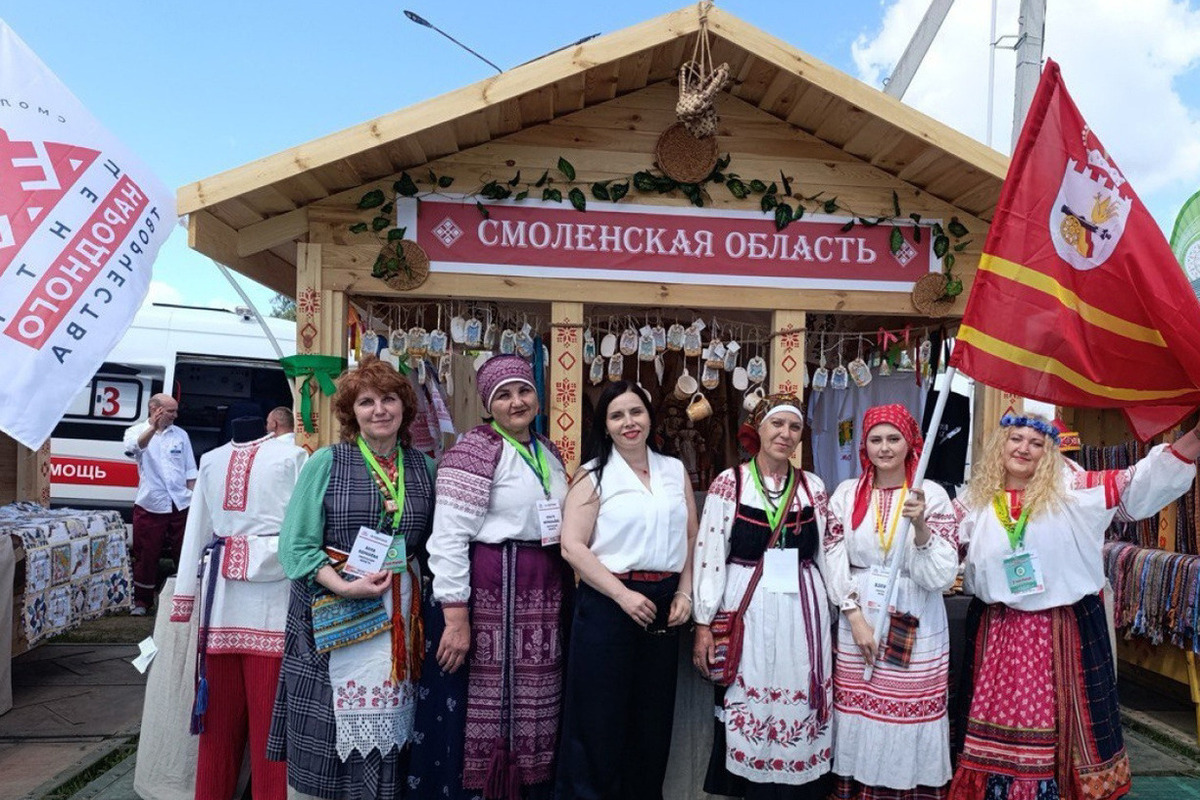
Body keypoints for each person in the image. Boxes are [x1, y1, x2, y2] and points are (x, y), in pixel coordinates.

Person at [949, 412, 1200, 800]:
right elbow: (938, 546)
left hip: (1059, 629)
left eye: (1036, 443)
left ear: (1050, 454)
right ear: (1001, 445)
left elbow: (1139, 482)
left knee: (1059, 721)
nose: (1023, 449)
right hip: (997, 630)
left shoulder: (1076, 493)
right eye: (1016, 439)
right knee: (992, 717)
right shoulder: (974, 501)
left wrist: (1194, 438)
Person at [267, 356, 434, 800]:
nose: (379, 410)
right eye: (366, 402)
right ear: (351, 412)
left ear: (404, 407)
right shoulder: (326, 461)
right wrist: (343, 585)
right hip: (331, 603)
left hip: (399, 611)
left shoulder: (424, 468)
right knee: (330, 722)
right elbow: (296, 544)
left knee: (393, 718)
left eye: (389, 399)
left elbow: (434, 546)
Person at [410, 354, 571, 800]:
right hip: (490, 590)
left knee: (539, 698)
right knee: (481, 696)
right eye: (504, 395)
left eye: (524, 391)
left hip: (544, 588)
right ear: (488, 405)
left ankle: (529, 787)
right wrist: (455, 616)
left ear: (537, 396)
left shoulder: (548, 451)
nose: (516, 402)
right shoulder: (474, 450)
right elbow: (448, 536)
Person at [557, 380, 698, 800]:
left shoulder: (673, 470)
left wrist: (685, 592)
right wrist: (622, 595)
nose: (628, 422)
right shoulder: (593, 475)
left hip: (663, 606)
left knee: (651, 723)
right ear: (605, 425)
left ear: (649, 417)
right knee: (599, 720)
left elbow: (692, 537)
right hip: (608, 603)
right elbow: (572, 546)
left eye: (635, 412)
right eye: (616, 415)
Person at [692, 392, 835, 800]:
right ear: (758, 428)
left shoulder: (812, 486)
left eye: (794, 427)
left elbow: (828, 555)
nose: (785, 434)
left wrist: (839, 612)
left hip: (801, 611)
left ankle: (797, 783)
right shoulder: (730, 483)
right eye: (777, 424)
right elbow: (709, 554)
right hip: (747, 609)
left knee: (799, 690)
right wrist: (703, 623)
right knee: (749, 691)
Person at [170, 415, 307, 800]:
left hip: (274, 605)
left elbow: (304, 532)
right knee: (217, 725)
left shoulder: (293, 458)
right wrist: (185, 595)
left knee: (271, 727)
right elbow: (197, 527)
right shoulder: (210, 460)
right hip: (221, 609)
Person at [827, 404, 959, 800]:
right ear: (864, 445)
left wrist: (920, 527)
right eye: (876, 439)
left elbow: (940, 576)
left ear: (910, 443)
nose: (884, 448)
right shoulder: (846, 494)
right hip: (858, 612)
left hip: (913, 609)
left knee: (906, 705)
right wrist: (854, 617)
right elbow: (832, 555)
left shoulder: (930, 494)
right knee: (862, 707)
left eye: (893, 439)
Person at [123, 393, 197, 616]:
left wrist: (195, 501)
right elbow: (134, 448)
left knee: (185, 552)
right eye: (171, 411)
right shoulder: (135, 431)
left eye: (175, 410)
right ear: (156, 410)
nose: (175, 415)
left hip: (180, 503)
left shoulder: (181, 434)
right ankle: (142, 601)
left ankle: (188, 598)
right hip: (151, 503)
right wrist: (153, 428)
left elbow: (190, 471)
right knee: (146, 553)